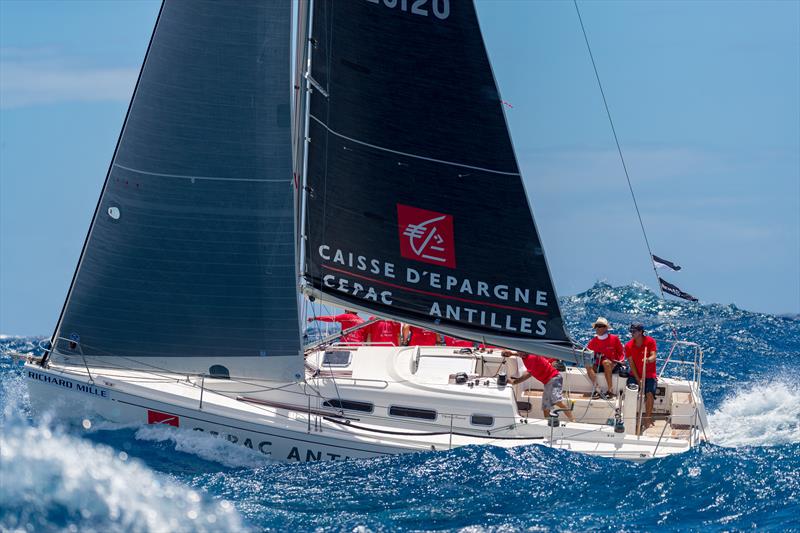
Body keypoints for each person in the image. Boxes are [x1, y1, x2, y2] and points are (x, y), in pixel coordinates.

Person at [502, 351, 575, 422]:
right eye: (518, 352)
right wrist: (512, 354)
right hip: (547, 382)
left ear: (526, 350)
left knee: (556, 401)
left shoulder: (532, 358)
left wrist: (514, 382)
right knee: (546, 407)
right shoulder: (525, 355)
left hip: (553, 378)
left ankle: (572, 420)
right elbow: (522, 354)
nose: (519, 354)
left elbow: (529, 374)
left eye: (521, 352)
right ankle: (548, 425)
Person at [624, 322, 657, 432]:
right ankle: (630, 418)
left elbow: (654, 356)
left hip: (649, 374)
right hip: (635, 375)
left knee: (649, 394)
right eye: (631, 331)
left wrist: (648, 360)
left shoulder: (650, 341)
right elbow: (631, 364)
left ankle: (647, 419)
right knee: (631, 392)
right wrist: (638, 379)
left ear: (641, 332)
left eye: (634, 331)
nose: (632, 333)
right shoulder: (628, 346)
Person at [585, 317, 625, 399]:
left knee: (606, 362)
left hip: (612, 365)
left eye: (600, 326)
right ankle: (598, 389)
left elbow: (621, 353)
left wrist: (618, 362)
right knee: (588, 365)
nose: (597, 328)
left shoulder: (614, 339)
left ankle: (610, 391)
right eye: (596, 326)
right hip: (599, 365)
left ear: (605, 328)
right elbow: (588, 356)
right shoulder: (592, 342)